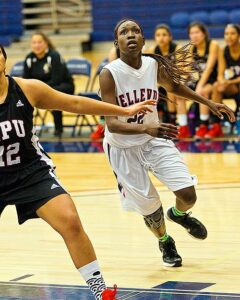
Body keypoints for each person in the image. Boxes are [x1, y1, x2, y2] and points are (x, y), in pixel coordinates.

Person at [0, 45, 156, 300]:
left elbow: (73, 103)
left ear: (5, 58)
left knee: (70, 220)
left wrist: (122, 110)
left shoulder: (27, 88)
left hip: (30, 172)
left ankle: (100, 291)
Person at [100, 19, 235, 268]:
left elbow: (174, 86)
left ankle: (179, 214)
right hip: (123, 147)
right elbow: (112, 124)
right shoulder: (109, 74)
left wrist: (209, 103)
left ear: (143, 40)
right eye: (124, 32)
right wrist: (146, 127)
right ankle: (164, 240)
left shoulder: (152, 64)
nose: (130, 35)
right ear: (116, 42)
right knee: (151, 209)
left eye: (136, 31)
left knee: (187, 194)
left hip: (154, 138)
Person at [23, 32, 74, 137]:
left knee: (53, 94)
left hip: (63, 86)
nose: (37, 45)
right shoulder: (29, 58)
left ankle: (58, 128)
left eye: (39, 42)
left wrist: (39, 89)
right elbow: (25, 80)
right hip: (39, 89)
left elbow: (57, 79)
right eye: (34, 42)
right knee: (21, 97)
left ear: (46, 43)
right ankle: (25, 129)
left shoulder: (54, 56)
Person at [188, 22, 220, 138]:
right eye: (191, 33)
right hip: (199, 79)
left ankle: (204, 125)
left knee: (202, 92)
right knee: (177, 93)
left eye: (197, 32)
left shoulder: (213, 44)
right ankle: (182, 125)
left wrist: (199, 85)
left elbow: (209, 68)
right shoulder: (192, 47)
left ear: (204, 34)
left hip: (212, 78)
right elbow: (189, 69)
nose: (194, 36)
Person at [211, 24, 240, 118]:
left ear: (238, 35)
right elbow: (220, 73)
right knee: (216, 86)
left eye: (232, 33)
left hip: (234, 82)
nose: (229, 36)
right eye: (226, 34)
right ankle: (217, 121)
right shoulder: (223, 50)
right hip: (232, 85)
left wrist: (229, 82)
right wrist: (222, 81)